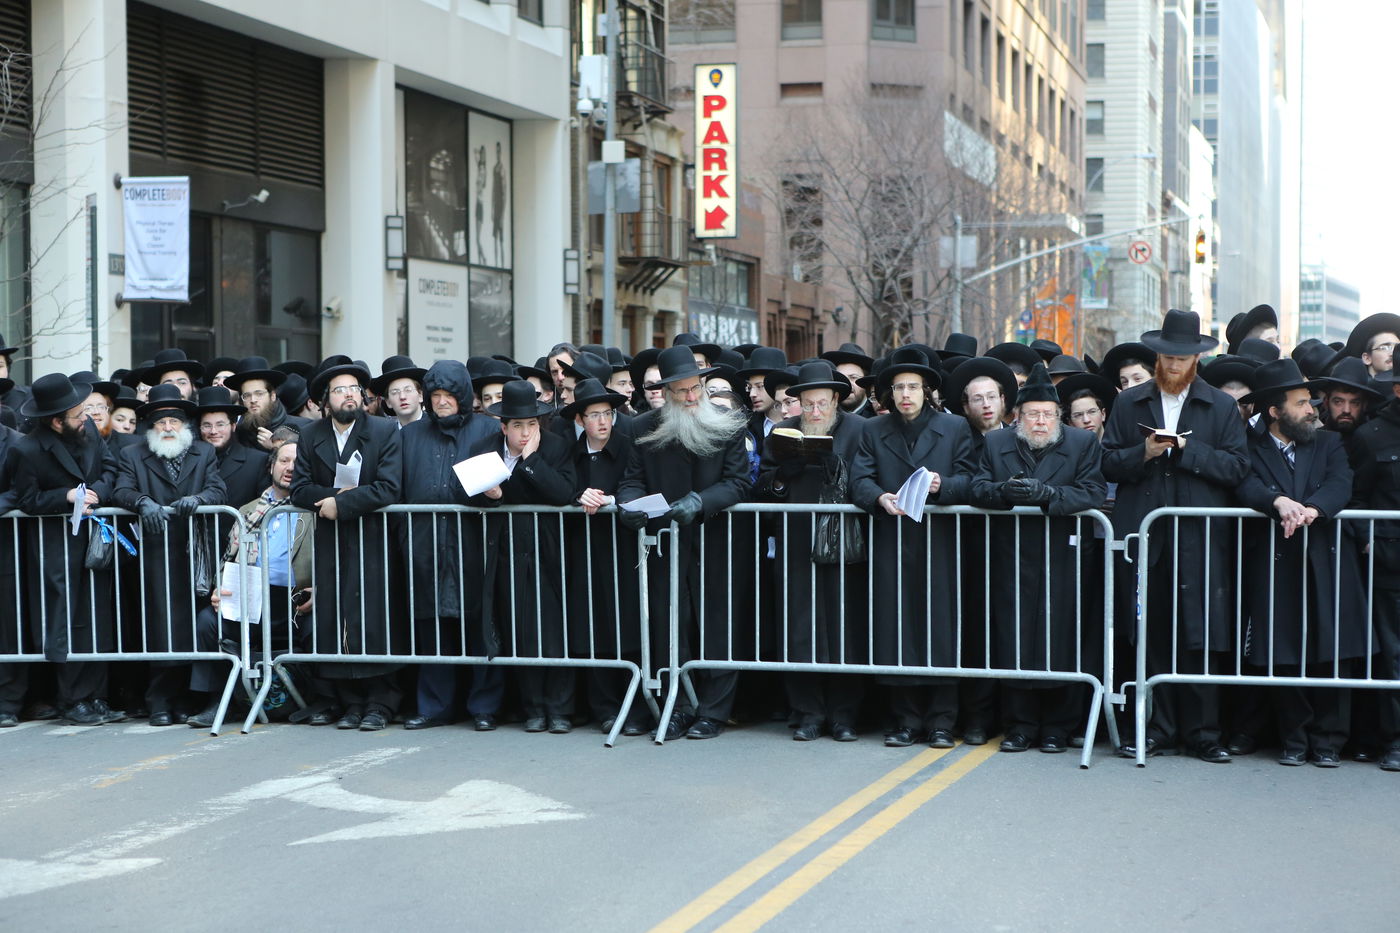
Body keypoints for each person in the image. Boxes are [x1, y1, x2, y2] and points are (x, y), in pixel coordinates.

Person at [1103, 310, 1250, 762]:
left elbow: (1237, 468)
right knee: (1153, 632)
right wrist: (1142, 453)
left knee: (1201, 633)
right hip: (1148, 536)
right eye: (1165, 357)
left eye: (1181, 359)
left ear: (1196, 360)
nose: (1171, 366)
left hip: (1200, 536)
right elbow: (1107, 463)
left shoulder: (1220, 406)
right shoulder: (1129, 404)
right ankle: (1157, 728)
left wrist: (1188, 450)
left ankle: (1204, 733)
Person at [1235, 358, 1366, 767]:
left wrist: (1314, 509)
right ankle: (1294, 739)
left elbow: (1341, 483)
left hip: (1326, 562)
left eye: (1310, 401)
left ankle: (1327, 741)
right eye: (1301, 403)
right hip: (1277, 564)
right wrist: (1277, 501)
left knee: (1334, 651)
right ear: (1274, 412)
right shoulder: (1248, 447)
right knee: (1283, 650)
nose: (1313, 409)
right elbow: (1244, 483)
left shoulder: (1327, 444)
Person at [617, 346, 753, 740]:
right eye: (683, 392)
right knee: (669, 627)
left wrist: (701, 502)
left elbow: (738, 482)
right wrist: (627, 506)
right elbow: (631, 480)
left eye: (697, 388)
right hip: (666, 544)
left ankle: (713, 711)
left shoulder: (728, 422)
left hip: (715, 541)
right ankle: (676, 708)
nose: (692, 397)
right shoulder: (643, 427)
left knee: (718, 627)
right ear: (667, 393)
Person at [971, 363, 1107, 752]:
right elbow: (978, 488)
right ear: (1017, 417)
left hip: (1065, 559)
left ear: (1059, 417)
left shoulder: (1082, 445)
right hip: (1012, 558)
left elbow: (1094, 492)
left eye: (1048, 414)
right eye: (1033, 414)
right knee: (1013, 640)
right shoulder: (997, 444)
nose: (1041, 422)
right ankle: (1019, 726)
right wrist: (1006, 492)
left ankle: (1057, 728)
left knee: (1062, 639)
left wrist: (1050, 496)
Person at [850, 346, 976, 748]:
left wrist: (945, 486)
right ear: (889, 393)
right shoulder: (873, 430)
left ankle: (942, 720)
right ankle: (904, 719)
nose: (906, 394)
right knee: (896, 628)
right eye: (899, 387)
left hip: (940, 544)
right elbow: (859, 478)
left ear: (927, 391)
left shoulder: (954, 428)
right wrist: (878, 498)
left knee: (940, 630)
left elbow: (972, 478)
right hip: (893, 542)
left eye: (913, 387)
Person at [290, 356, 404, 731]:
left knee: (374, 619)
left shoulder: (385, 431)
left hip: (372, 540)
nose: (348, 396)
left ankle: (381, 702)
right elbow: (299, 489)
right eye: (340, 390)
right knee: (336, 619)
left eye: (354, 389)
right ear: (326, 399)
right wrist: (336, 498)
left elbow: (389, 487)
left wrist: (344, 504)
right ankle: (349, 701)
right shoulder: (310, 435)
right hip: (332, 540)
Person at [758, 360, 869, 741]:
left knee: (844, 627)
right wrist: (783, 475)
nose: (815, 412)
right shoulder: (784, 432)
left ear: (837, 400)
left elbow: (870, 480)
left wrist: (835, 465)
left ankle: (843, 715)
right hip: (797, 542)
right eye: (808, 405)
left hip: (845, 543)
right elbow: (764, 487)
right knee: (799, 627)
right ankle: (807, 712)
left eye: (822, 404)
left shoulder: (860, 431)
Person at [9, 375, 126, 726]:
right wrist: (67, 497)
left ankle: (97, 696)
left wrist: (96, 494)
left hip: (92, 539)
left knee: (97, 618)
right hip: (54, 547)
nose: (85, 417)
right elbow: (26, 500)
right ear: (56, 420)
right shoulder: (26, 449)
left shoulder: (87, 429)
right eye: (77, 414)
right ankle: (72, 699)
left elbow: (109, 467)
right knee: (66, 619)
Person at [112, 383, 227, 725]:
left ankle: (186, 700)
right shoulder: (132, 454)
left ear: (183, 425)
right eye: (160, 422)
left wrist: (201, 500)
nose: (167, 428)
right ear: (151, 426)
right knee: (160, 628)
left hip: (195, 554)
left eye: (173, 421)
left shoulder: (204, 453)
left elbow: (218, 488)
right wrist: (141, 502)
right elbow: (121, 489)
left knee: (192, 627)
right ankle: (159, 701)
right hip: (156, 554)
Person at [398, 360, 502, 731]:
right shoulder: (410, 435)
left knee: (480, 623)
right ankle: (434, 705)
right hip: (425, 541)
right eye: (436, 396)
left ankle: (484, 706)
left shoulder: (489, 428)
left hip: (474, 541)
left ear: (462, 396)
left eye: (449, 395)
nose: (442, 402)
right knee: (432, 626)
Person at [469, 379, 578, 732]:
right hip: (507, 547)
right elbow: (465, 490)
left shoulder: (557, 447)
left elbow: (563, 492)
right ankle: (533, 709)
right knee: (519, 628)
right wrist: (492, 497)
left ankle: (560, 710)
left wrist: (530, 461)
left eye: (531, 424)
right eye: (517, 425)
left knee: (556, 629)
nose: (526, 432)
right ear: (504, 426)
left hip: (550, 546)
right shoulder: (486, 448)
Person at [187, 437, 315, 729]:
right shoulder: (247, 511)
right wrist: (221, 588)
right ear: (271, 466)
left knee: (320, 626)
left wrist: (321, 591)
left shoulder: (313, 508)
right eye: (284, 460)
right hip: (252, 599)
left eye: (298, 462)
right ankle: (218, 701)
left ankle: (323, 699)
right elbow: (228, 559)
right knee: (209, 621)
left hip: (296, 601)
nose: (290, 468)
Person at [562, 377, 645, 734]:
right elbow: (560, 485)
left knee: (629, 627)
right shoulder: (569, 451)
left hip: (623, 549)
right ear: (580, 420)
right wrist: (577, 495)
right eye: (594, 414)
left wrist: (615, 500)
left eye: (607, 413)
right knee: (591, 629)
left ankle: (638, 707)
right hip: (584, 551)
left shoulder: (630, 446)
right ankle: (605, 708)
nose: (602, 421)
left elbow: (639, 482)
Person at [1348, 364, 1400, 770]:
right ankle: (1395, 741)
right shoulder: (1371, 436)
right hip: (1390, 561)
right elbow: (1358, 499)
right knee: (1394, 657)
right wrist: (1370, 541)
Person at [194, 386, 269, 510]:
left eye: (220, 424)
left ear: (233, 426)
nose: (213, 431)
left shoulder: (257, 461)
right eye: (207, 425)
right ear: (199, 428)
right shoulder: (188, 460)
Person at [225, 356, 308, 451]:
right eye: (247, 395)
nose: (253, 400)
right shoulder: (237, 434)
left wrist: (275, 448)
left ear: (272, 396)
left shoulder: (304, 428)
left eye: (259, 394)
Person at [820, 343, 877, 418]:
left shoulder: (877, 413)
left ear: (864, 382)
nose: (848, 383)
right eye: (842, 377)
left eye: (853, 377)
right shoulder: (824, 416)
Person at [370, 356, 427, 429]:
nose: (402, 396)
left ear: (420, 395)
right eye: (395, 392)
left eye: (408, 390)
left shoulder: (436, 430)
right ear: (388, 401)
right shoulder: (385, 436)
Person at [1343, 313, 1399, 378]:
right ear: (1367, 358)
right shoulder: (1354, 387)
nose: (1393, 353)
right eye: (1384, 348)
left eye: (1397, 348)